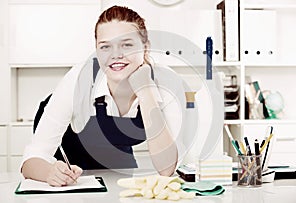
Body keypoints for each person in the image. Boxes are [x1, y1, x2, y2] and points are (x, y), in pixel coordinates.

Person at [21, 5, 190, 186]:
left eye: (127, 45)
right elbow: (31, 160)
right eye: (105, 46)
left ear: (145, 47)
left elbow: (167, 169)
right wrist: (49, 173)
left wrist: (146, 92)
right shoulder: (79, 78)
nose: (116, 55)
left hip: (118, 159)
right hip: (71, 163)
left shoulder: (166, 83)